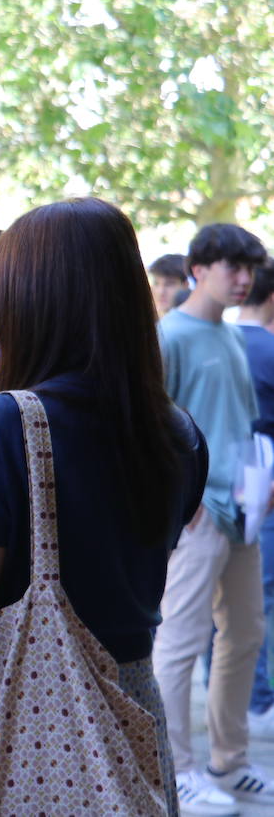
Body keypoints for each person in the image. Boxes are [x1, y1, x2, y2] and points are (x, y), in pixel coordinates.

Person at [0, 198, 209, 817]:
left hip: (41, 722)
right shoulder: (179, 431)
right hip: (134, 709)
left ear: (28, 299)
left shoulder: (12, 422)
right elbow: (109, 555)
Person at [151, 223, 274, 813]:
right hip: (196, 518)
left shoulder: (230, 336)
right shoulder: (167, 336)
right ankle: (176, 769)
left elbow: (244, 425)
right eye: (233, 266)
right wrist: (183, 503)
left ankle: (231, 759)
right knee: (180, 642)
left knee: (246, 634)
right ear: (199, 268)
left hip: (242, 511)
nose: (244, 278)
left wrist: (261, 483)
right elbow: (148, 432)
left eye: (249, 267)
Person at [238, 261, 274, 741]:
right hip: (261, 481)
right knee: (255, 601)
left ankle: (248, 699)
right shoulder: (265, 348)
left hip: (226, 480)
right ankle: (258, 701)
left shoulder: (221, 342)